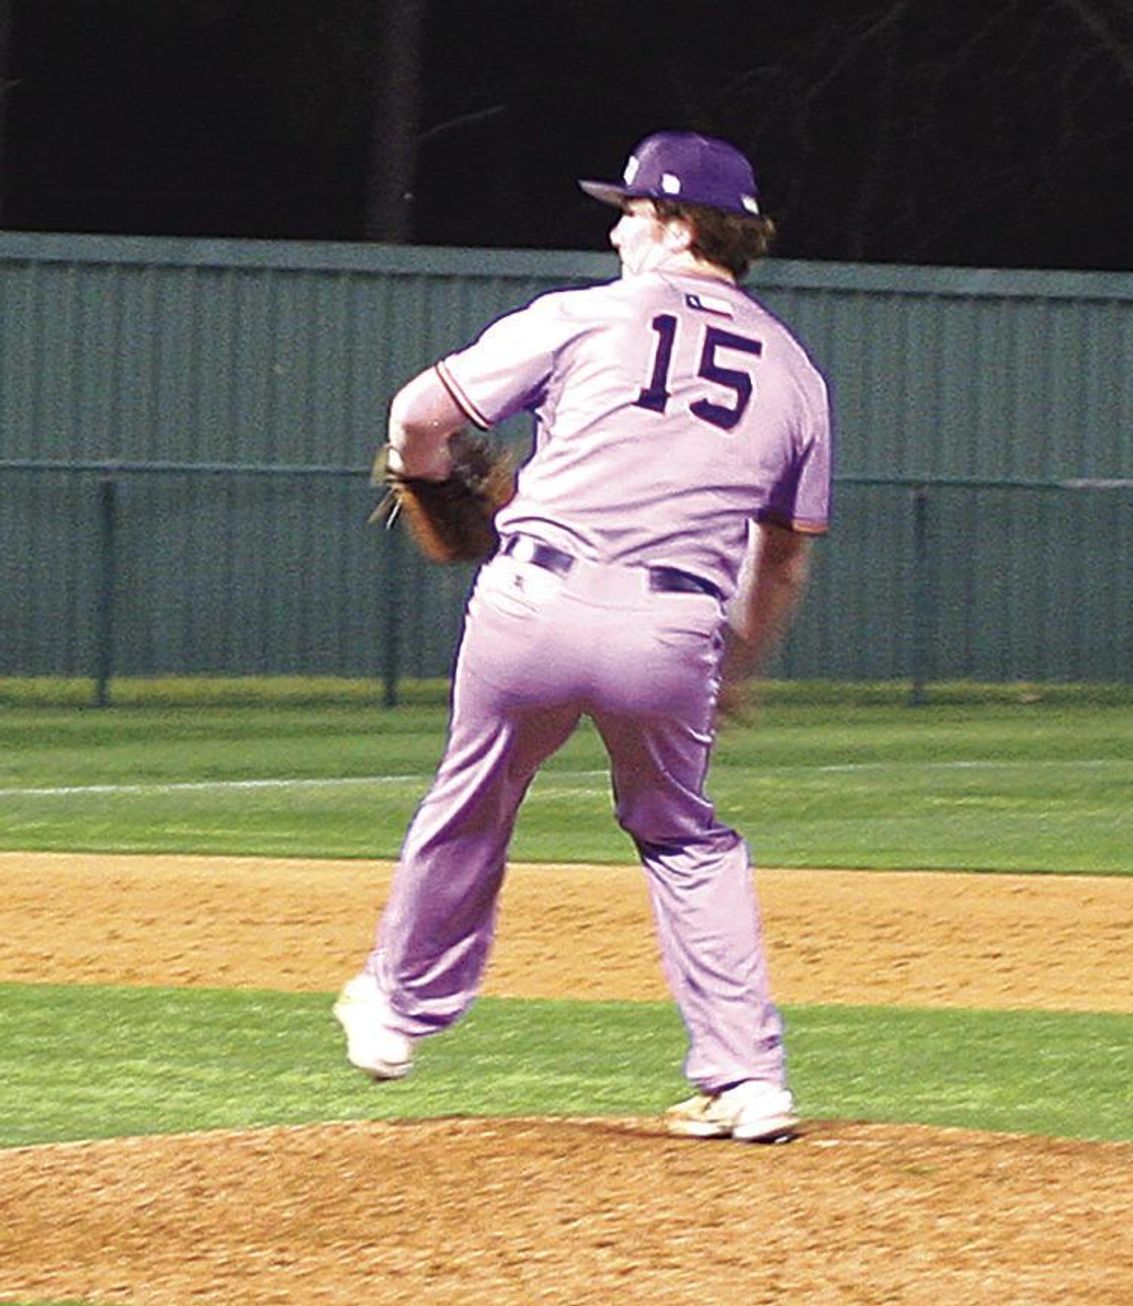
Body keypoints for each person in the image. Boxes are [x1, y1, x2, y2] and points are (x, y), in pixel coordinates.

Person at [335, 130, 831, 1142]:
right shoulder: (795, 373)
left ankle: (396, 1012)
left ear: (679, 224)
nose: (616, 226)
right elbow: (782, 555)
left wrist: (420, 466)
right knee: (684, 834)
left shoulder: (583, 316)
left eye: (631, 209)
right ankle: (747, 1080)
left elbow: (421, 414)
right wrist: (733, 665)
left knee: (473, 797)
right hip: (675, 625)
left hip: (533, 602)